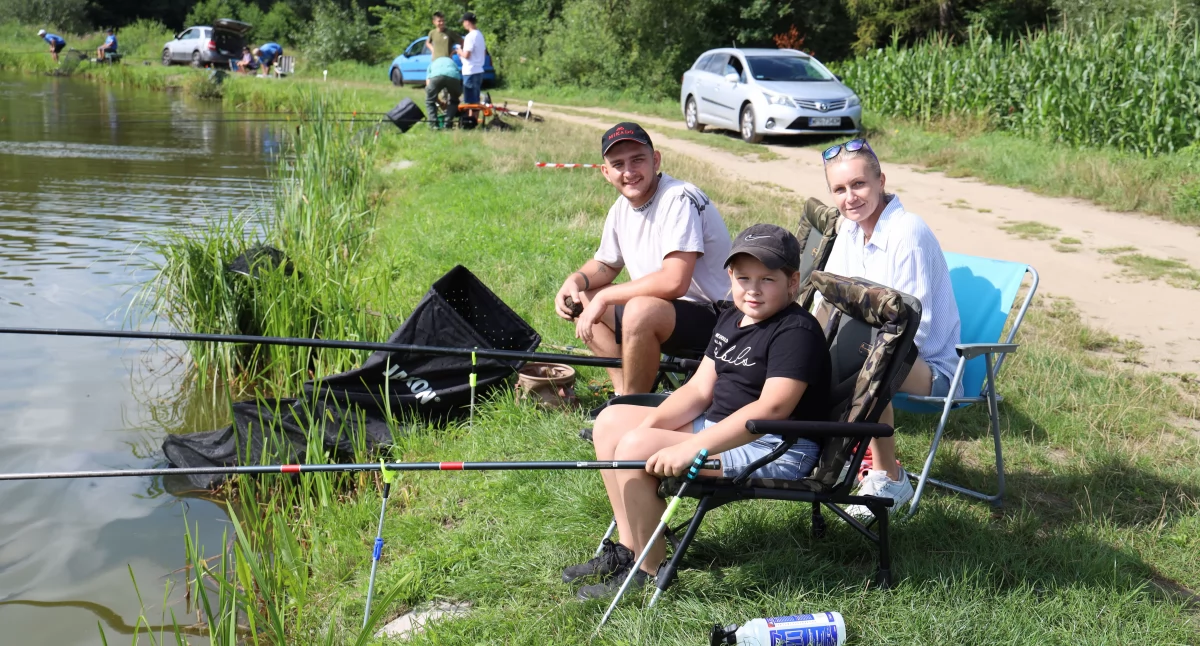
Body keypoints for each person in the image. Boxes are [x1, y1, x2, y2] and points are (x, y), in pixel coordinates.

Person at [561, 224, 832, 599]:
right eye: (743, 278)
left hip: (773, 445)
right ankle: (628, 547)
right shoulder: (731, 316)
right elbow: (699, 388)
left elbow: (773, 408)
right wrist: (650, 423)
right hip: (722, 427)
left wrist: (694, 447)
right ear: (730, 277)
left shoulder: (795, 331)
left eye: (767, 279)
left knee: (635, 448)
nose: (753, 289)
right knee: (612, 423)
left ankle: (648, 569)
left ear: (792, 281)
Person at [813, 138, 962, 518]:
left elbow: (915, 332)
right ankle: (818, 452)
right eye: (840, 189)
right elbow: (832, 300)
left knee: (870, 354)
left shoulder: (907, 232)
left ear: (881, 180)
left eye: (859, 184)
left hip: (928, 367)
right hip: (871, 346)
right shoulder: (850, 228)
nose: (850, 198)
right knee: (808, 348)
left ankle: (889, 476)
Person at [554, 122, 732, 396]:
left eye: (637, 160)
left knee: (638, 309)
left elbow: (675, 282)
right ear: (605, 172)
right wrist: (575, 280)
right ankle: (624, 395)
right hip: (672, 313)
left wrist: (606, 297)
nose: (629, 172)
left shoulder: (678, 198)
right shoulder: (621, 208)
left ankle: (635, 408)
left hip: (719, 318)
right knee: (584, 298)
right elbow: (607, 264)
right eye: (618, 164)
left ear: (655, 160)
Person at [424, 54, 462, 130]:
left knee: (429, 101)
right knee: (454, 100)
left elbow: (429, 90)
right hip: (453, 76)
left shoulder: (432, 64)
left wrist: (439, 102)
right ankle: (447, 124)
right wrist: (441, 102)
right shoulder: (452, 62)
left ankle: (434, 125)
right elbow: (457, 76)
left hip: (436, 76)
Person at [459, 12, 486, 105]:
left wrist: (459, 51)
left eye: (463, 22)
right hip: (479, 70)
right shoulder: (480, 35)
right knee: (476, 100)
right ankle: (474, 118)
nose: (463, 24)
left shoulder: (469, 36)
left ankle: (471, 119)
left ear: (467, 22)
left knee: (470, 102)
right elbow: (484, 52)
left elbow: (467, 54)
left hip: (470, 71)